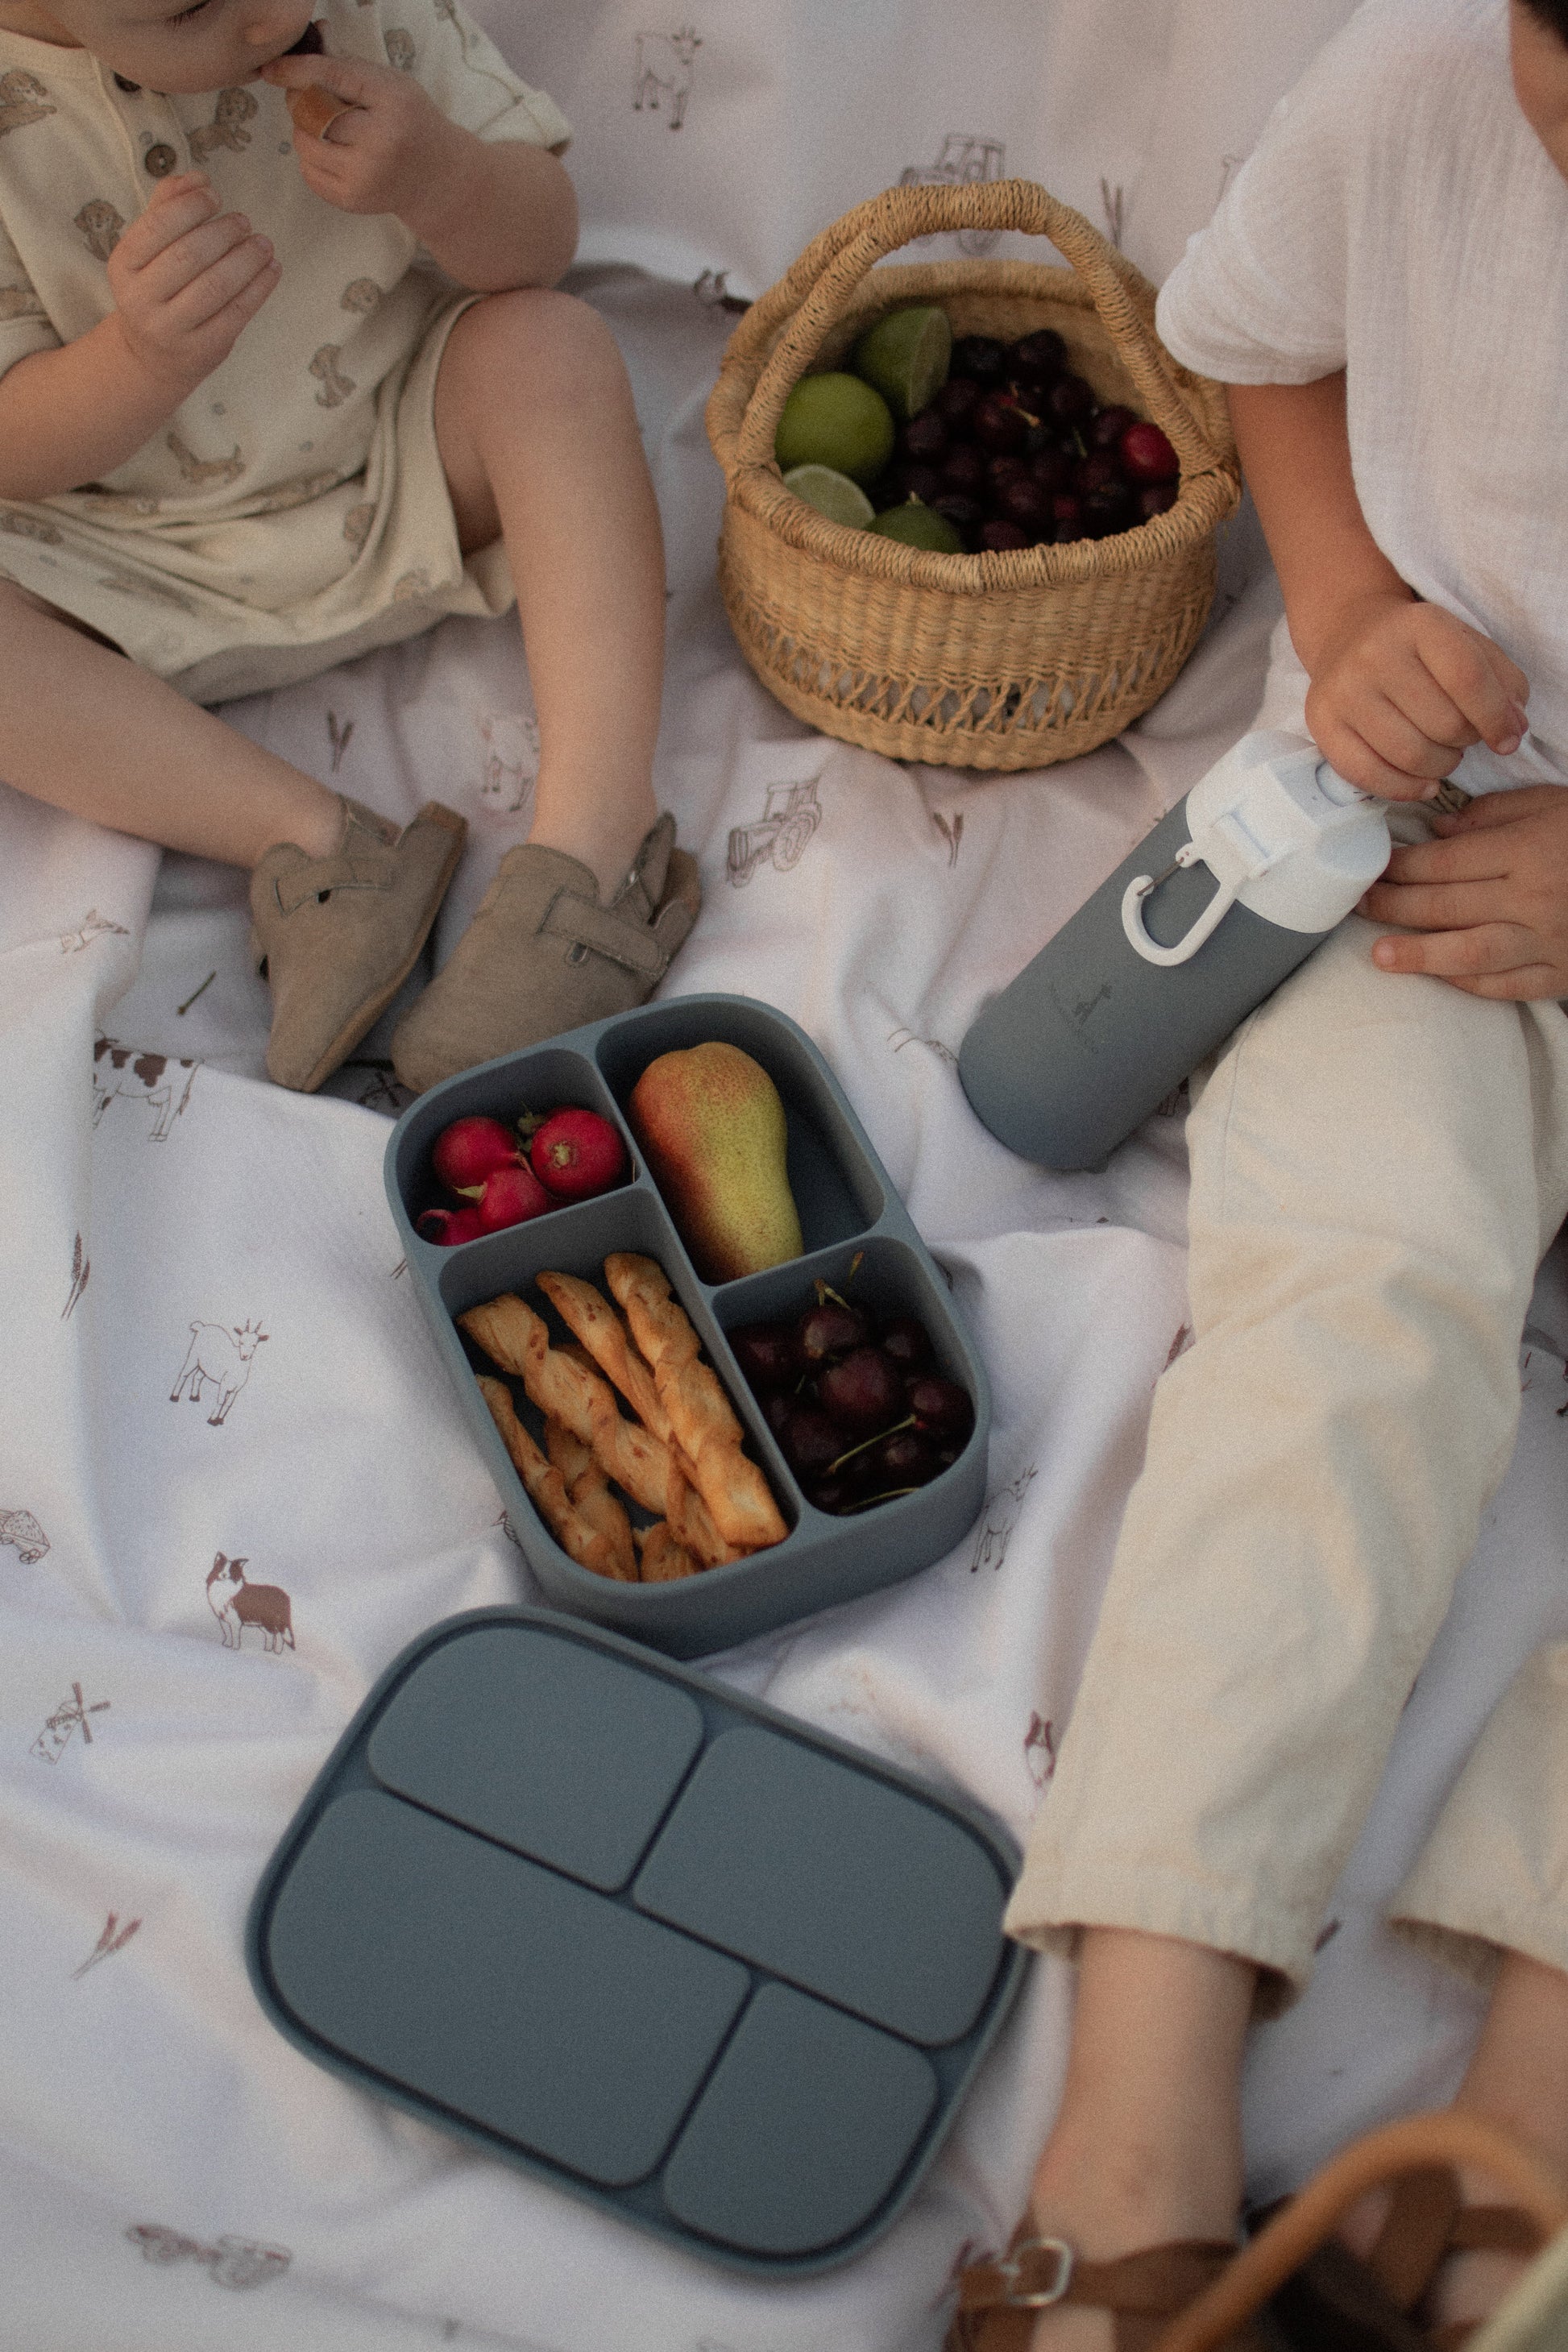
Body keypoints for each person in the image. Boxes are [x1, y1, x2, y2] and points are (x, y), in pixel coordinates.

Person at [951, 2, 1568, 2343]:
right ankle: (1132, 2150)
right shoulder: (1417, 84)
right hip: (1422, 839)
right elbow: (1262, 348)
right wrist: (1345, 616)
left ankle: (1506, 2164)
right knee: (1354, 1290)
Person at [0, 0, 699, 1096]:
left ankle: (597, 842)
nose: (279, 15)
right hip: (116, 560)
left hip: (401, 457)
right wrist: (133, 362)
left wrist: (447, 179)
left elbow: (542, 245)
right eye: (193, 5)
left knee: (552, 348)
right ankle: (320, 847)